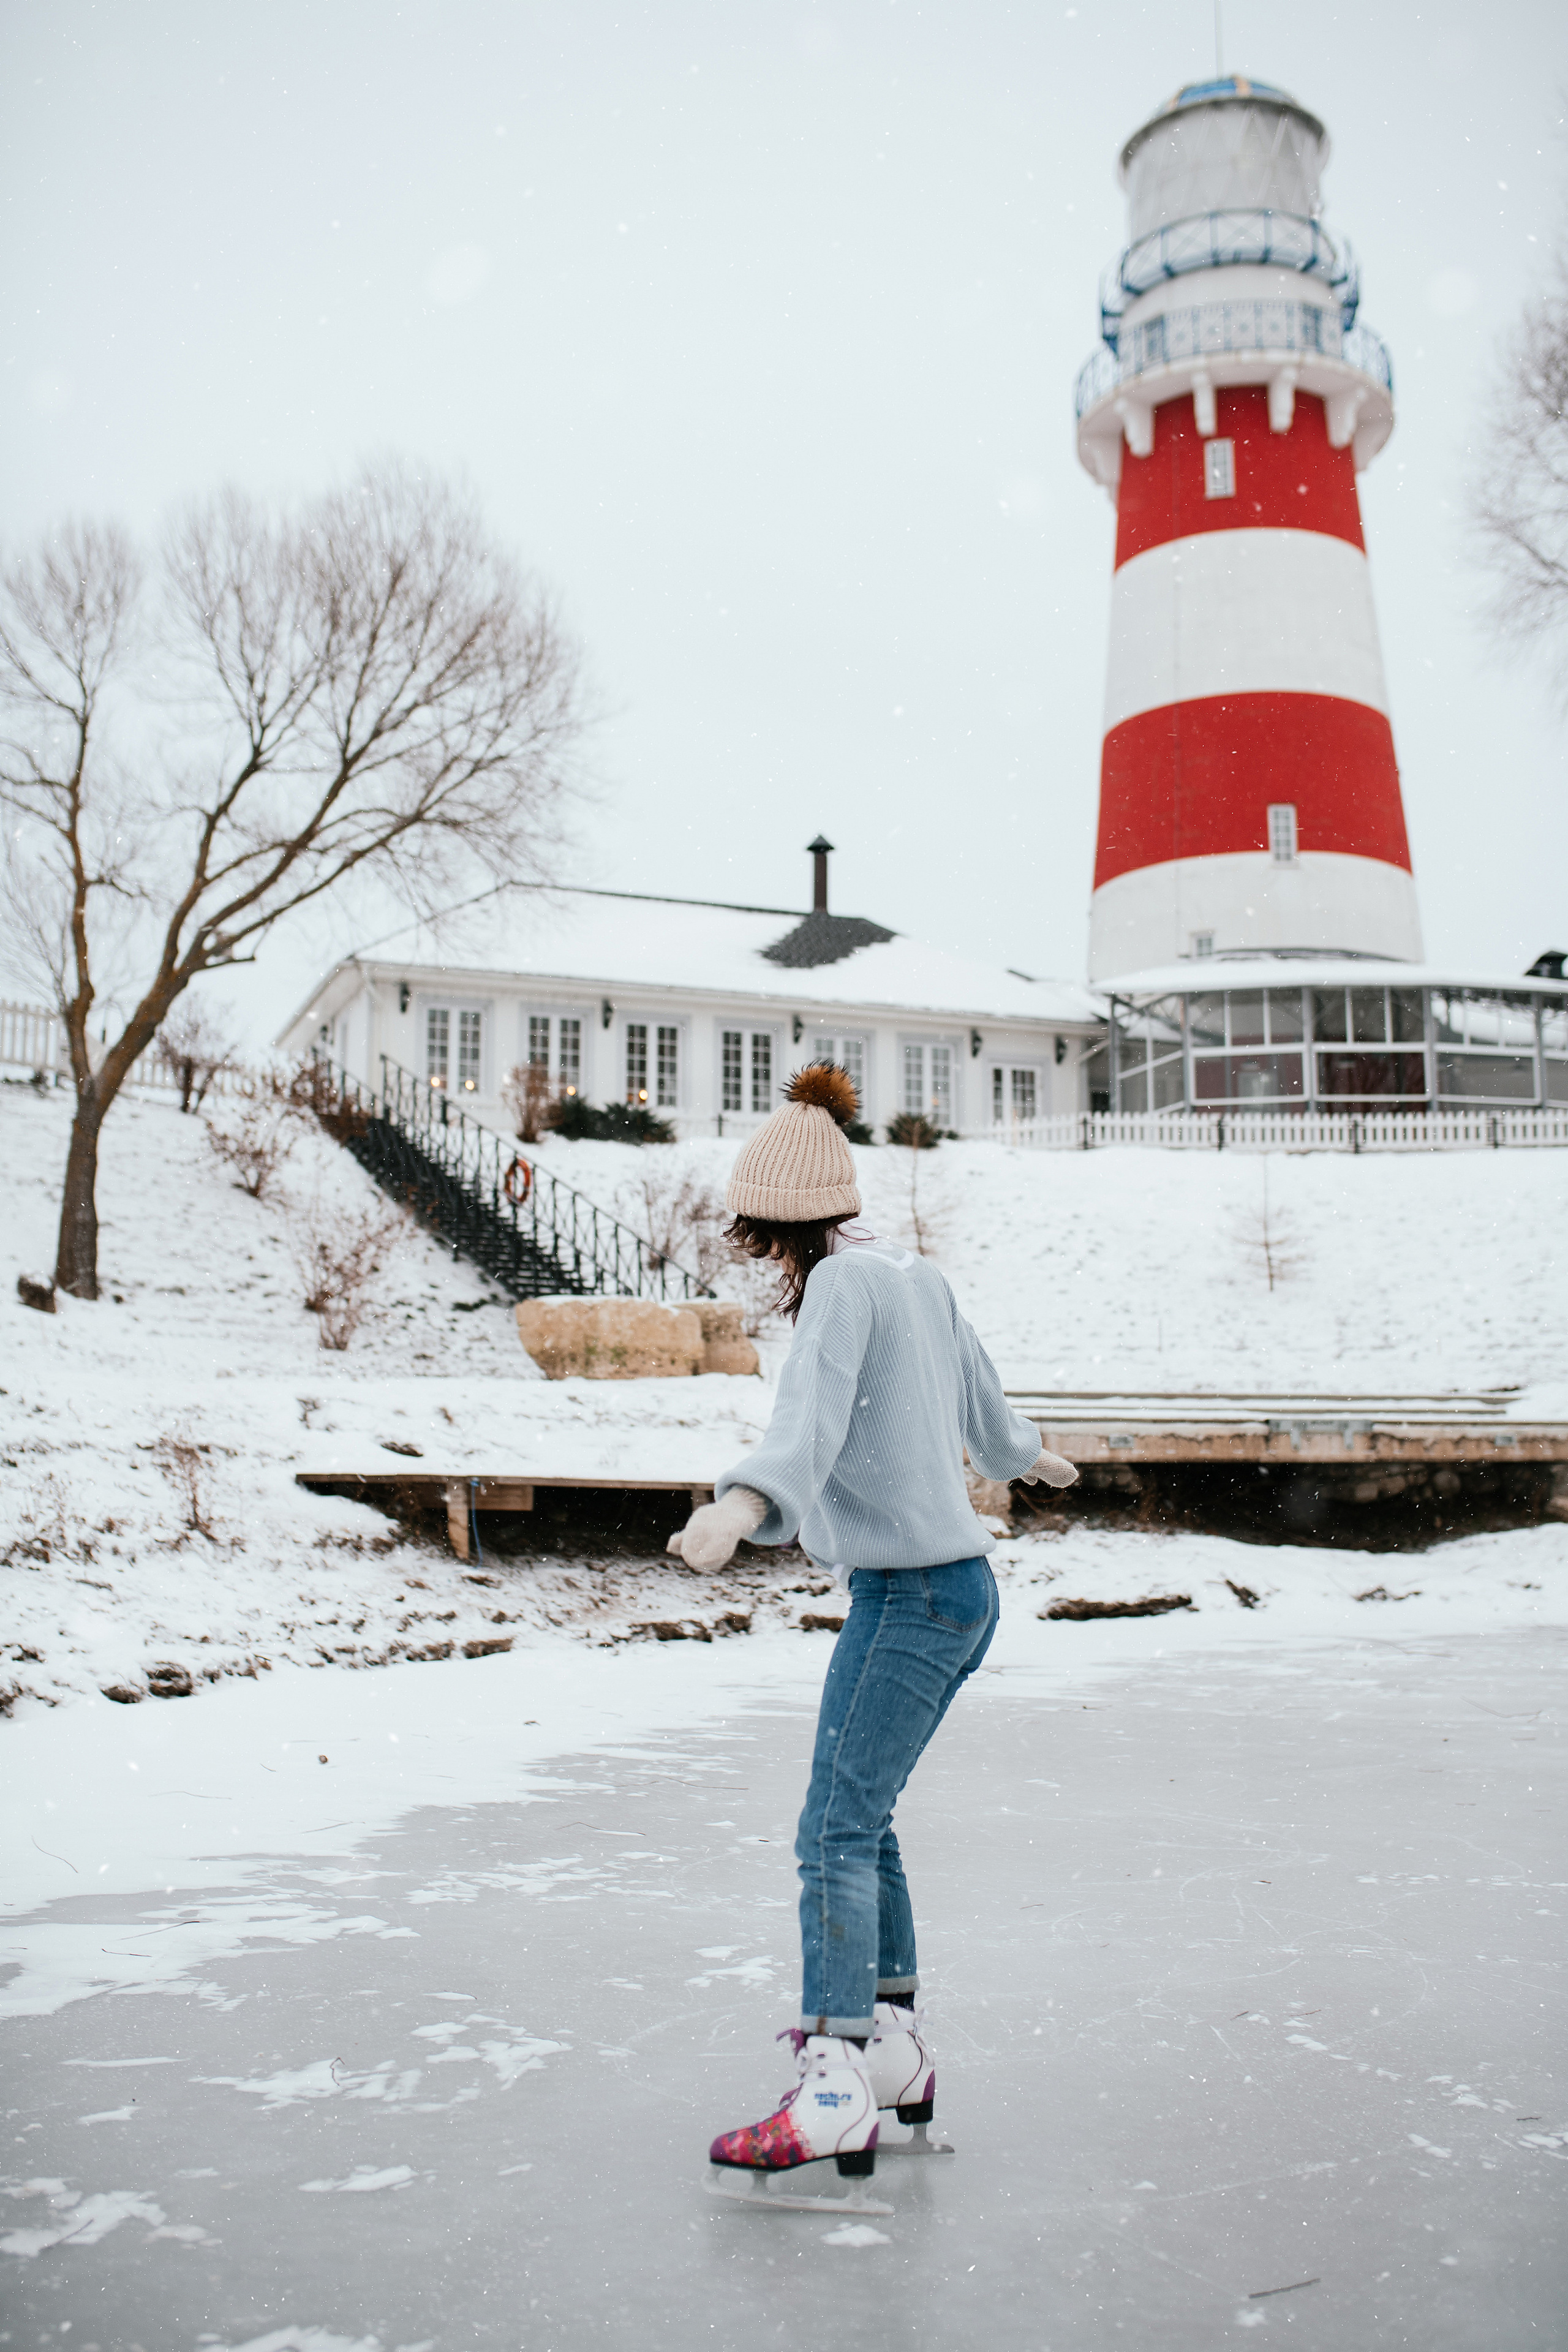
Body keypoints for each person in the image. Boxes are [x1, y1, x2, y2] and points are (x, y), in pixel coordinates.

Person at [667, 1063, 1077, 2189]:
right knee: (867, 1816)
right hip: (962, 1593)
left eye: (756, 1238)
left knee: (831, 1832)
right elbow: (984, 1404)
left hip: (908, 1596)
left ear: (771, 1227)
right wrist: (1026, 1456)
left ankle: (835, 2081)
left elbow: (805, 1424)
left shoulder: (841, 1292)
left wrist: (740, 1507)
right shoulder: (916, 1276)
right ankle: (892, 2047)